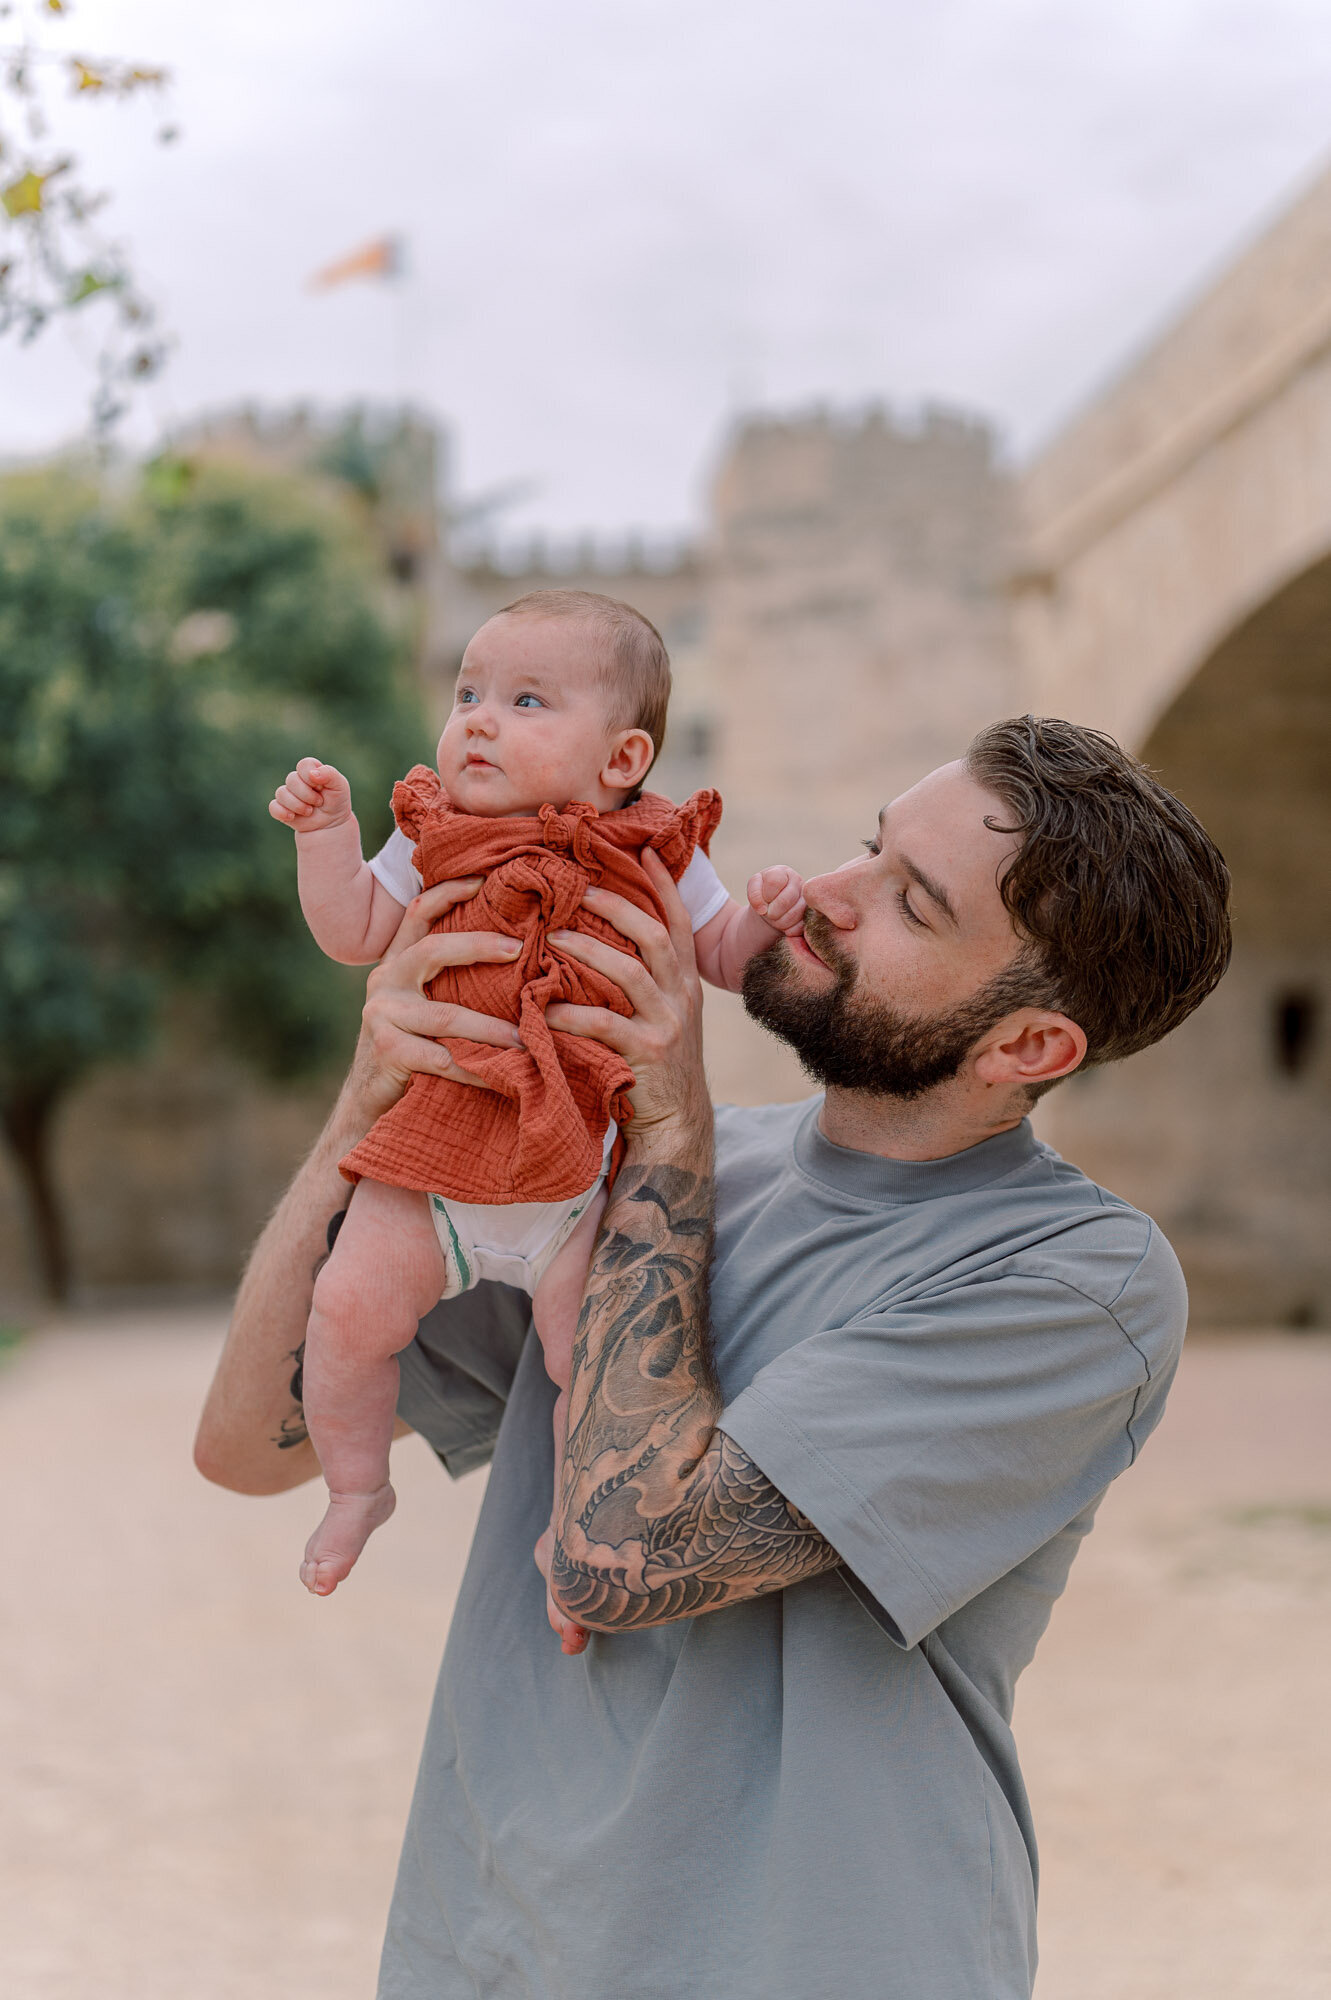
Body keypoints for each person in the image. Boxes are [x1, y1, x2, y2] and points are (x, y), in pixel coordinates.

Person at [196, 715, 1232, 2000]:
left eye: (909, 901)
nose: (829, 895)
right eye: (868, 849)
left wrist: (669, 1122)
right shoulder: (624, 1166)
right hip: (492, 1950)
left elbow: (623, 1556)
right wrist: (371, 1102)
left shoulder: (1073, 1281)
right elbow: (250, 1443)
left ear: (1025, 1047)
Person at [267, 588, 805, 1595]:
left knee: (587, 1372)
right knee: (342, 1313)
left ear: (622, 760)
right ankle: (354, 1488)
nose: (476, 716)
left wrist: (768, 915)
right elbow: (351, 931)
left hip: (571, 1190)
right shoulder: (432, 826)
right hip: (428, 1174)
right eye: (468, 690)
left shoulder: (654, 845)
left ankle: (568, 1532)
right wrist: (326, 837)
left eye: (524, 700)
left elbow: (723, 956)